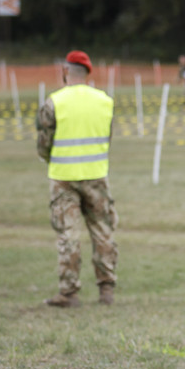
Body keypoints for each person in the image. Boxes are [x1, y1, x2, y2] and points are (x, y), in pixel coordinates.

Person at [36, 50, 119, 308]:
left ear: (65, 71)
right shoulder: (105, 101)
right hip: (97, 176)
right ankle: (106, 290)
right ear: (88, 73)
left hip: (64, 178)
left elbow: (43, 144)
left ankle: (69, 292)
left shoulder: (54, 102)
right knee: (103, 232)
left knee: (69, 235)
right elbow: (107, 138)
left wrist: (52, 160)